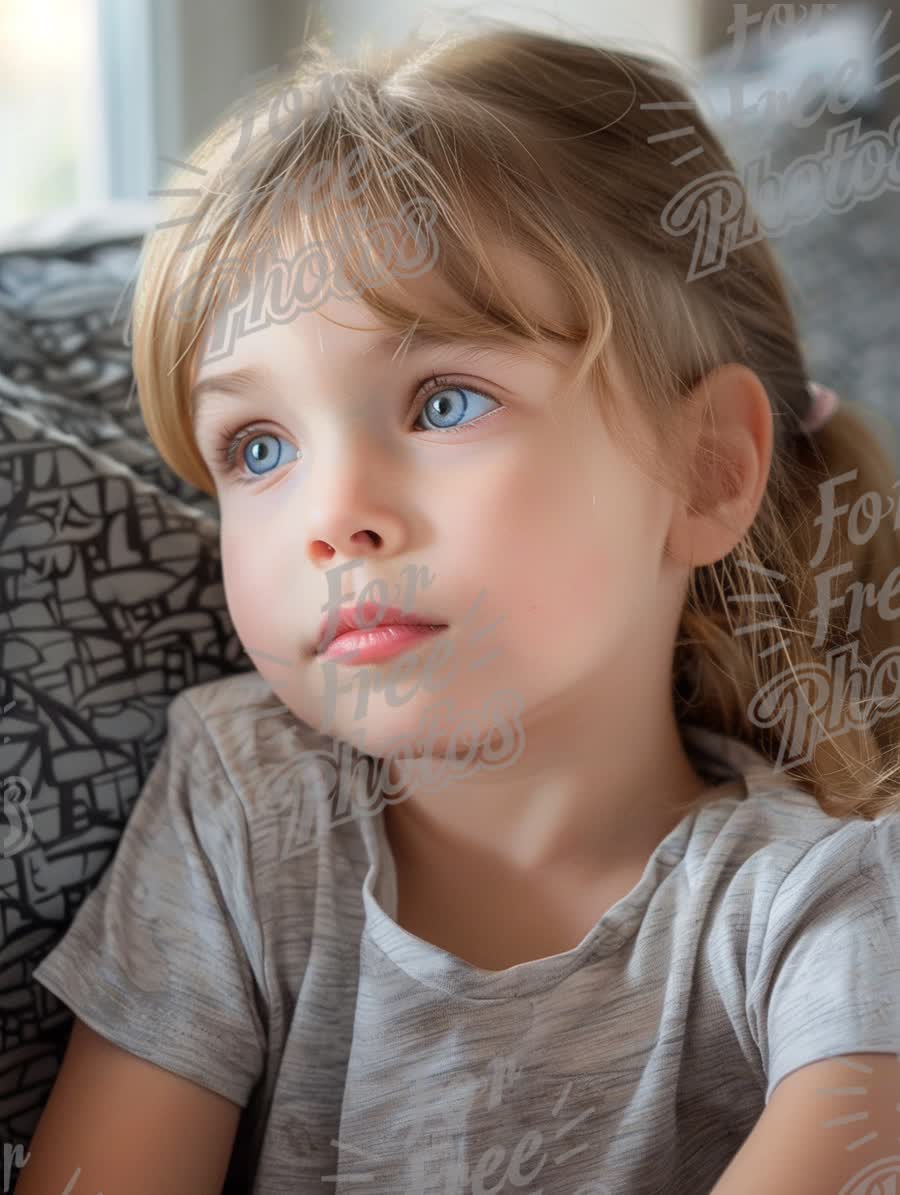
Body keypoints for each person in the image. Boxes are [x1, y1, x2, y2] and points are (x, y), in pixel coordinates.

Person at [21, 21, 900, 1195]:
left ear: (707, 474)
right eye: (260, 444)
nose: (335, 519)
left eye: (444, 403)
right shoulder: (244, 804)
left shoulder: (823, 913)